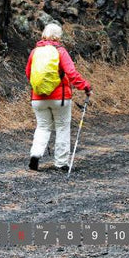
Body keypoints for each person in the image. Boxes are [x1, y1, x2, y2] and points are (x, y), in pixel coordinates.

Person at [25, 23, 91, 171]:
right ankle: (61, 163)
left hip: (38, 98)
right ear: (58, 36)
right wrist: (85, 87)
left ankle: (35, 156)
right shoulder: (60, 51)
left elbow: (28, 73)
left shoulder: (35, 52)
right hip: (60, 98)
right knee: (62, 127)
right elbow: (72, 73)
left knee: (42, 127)